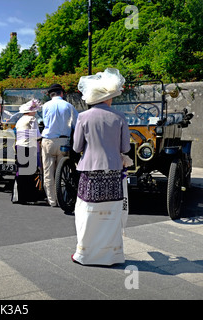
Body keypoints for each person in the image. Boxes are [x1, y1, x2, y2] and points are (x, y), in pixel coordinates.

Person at [71, 68, 131, 266]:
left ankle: (85, 254)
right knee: (110, 214)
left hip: (90, 170)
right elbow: (125, 148)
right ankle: (111, 255)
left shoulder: (83, 117)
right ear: (108, 98)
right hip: (113, 170)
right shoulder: (120, 117)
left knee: (87, 212)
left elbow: (77, 146)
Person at [41, 84, 78, 207]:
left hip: (48, 140)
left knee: (48, 171)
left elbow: (45, 121)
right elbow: (76, 125)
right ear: (61, 93)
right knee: (62, 171)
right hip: (63, 141)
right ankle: (62, 196)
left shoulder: (45, 106)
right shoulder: (68, 106)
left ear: (50, 95)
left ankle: (52, 201)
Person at [12, 99, 43, 204]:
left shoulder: (20, 120)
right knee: (30, 173)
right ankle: (30, 196)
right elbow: (36, 135)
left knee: (21, 172)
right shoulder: (32, 119)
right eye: (34, 110)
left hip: (20, 146)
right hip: (29, 146)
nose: (35, 112)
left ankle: (19, 196)